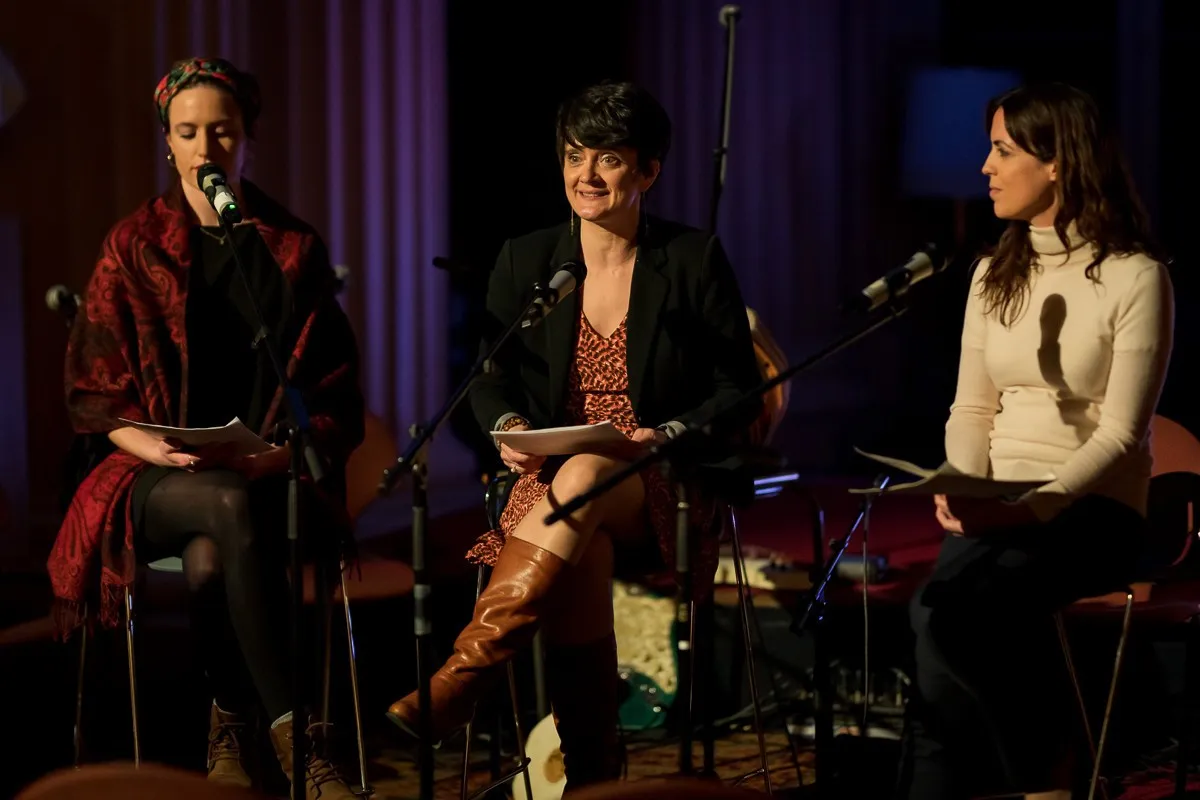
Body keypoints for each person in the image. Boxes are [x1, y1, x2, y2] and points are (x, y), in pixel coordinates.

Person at [386, 80, 763, 791]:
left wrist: (667, 432)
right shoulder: (528, 260)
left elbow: (738, 391)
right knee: (582, 543)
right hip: (552, 482)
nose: (586, 174)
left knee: (586, 472)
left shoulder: (691, 258)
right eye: (573, 156)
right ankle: (593, 776)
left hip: (660, 478)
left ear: (648, 171)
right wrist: (508, 426)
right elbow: (488, 378)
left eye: (608, 158)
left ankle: (464, 675)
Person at [46, 57, 365, 799]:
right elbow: (91, 392)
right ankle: (300, 742)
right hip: (154, 473)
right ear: (167, 142)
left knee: (211, 558)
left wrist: (278, 455)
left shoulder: (291, 247)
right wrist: (151, 444)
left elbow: (335, 390)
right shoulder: (134, 244)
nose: (205, 148)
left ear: (248, 138)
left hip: (263, 473)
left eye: (222, 132)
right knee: (222, 503)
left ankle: (229, 724)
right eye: (188, 132)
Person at [897, 82, 1174, 799]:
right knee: (931, 620)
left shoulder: (1136, 276)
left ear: (1057, 162)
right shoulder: (993, 272)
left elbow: (1123, 433)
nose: (985, 167)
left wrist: (1032, 507)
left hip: (1090, 508)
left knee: (973, 614)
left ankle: (1052, 782)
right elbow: (971, 406)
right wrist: (964, 487)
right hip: (1000, 504)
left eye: (1002, 151)